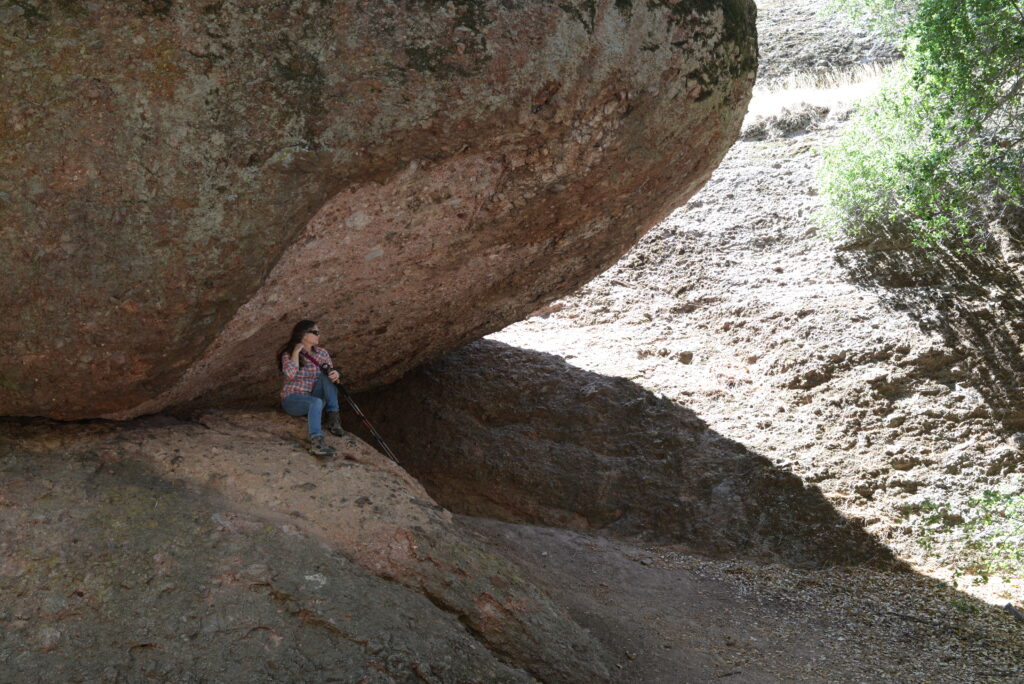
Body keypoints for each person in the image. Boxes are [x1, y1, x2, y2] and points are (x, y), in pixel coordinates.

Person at [276, 319, 347, 458]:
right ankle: (317, 442)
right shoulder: (288, 354)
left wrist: (336, 374)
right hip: (293, 400)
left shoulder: (322, 353)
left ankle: (334, 417)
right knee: (316, 402)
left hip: (315, 397)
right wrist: (296, 352)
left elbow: (332, 379)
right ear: (303, 334)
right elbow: (290, 374)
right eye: (315, 332)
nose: (318, 335)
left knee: (327, 375)